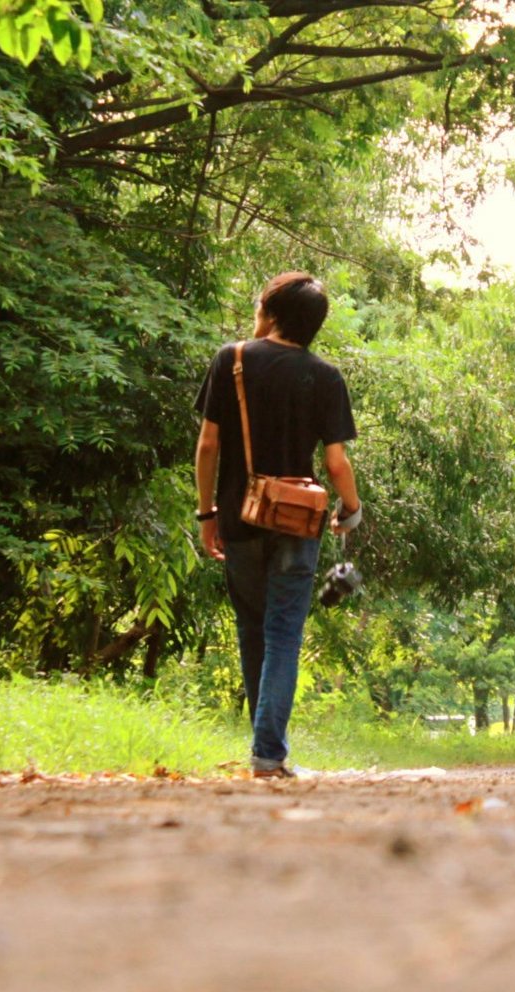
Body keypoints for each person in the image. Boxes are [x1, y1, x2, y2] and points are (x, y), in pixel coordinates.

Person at [194, 272, 363, 779]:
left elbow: (208, 445)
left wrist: (206, 512)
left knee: (252, 630)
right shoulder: (326, 377)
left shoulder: (232, 360)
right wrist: (351, 507)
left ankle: (266, 750)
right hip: (297, 521)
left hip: (238, 516)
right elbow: (335, 463)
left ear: (271, 313)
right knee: (284, 635)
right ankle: (269, 755)